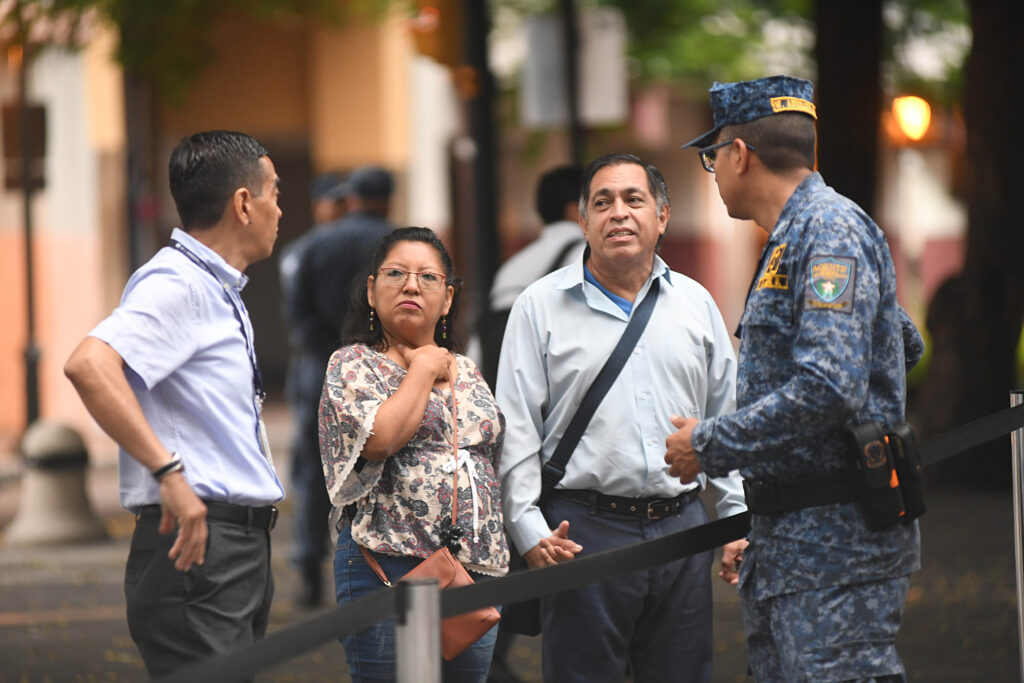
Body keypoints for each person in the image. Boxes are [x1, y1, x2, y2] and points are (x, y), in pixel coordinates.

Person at [668, 75, 926, 682]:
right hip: (794, 546)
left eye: (712, 156)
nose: (715, 169)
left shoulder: (827, 230)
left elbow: (830, 385)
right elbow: (899, 341)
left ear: (738, 154)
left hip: (835, 548)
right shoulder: (797, 235)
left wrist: (707, 445)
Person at [497, 153, 748, 683]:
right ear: (582, 221)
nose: (619, 213)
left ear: (662, 217)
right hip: (581, 533)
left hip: (682, 530)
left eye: (634, 200)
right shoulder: (540, 306)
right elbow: (516, 427)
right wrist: (528, 530)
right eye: (602, 202)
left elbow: (725, 420)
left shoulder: (696, 305)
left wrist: (736, 520)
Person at [63, 130, 285, 677]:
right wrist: (169, 474)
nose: (280, 209)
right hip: (199, 549)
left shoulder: (214, 287)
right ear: (243, 203)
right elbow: (89, 364)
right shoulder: (178, 283)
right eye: (274, 193)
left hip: (231, 549)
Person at [319, 227, 508, 682]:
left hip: (472, 573)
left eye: (427, 277)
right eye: (396, 273)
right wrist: (422, 367)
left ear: (447, 298)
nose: (410, 285)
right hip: (386, 567)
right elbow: (381, 439)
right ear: (370, 289)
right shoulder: (352, 364)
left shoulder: (467, 370)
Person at [280, 164, 395, 606]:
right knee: (386, 470)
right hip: (383, 371)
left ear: (350, 199)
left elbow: (296, 316)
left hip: (319, 370)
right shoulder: (400, 243)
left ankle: (309, 569)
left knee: (314, 469)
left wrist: (326, 356)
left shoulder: (310, 247)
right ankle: (381, 569)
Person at [476, 164, 586, 388]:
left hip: (501, 384)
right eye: (600, 202)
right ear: (574, 210)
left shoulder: (512, 267)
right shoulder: (588, 256)